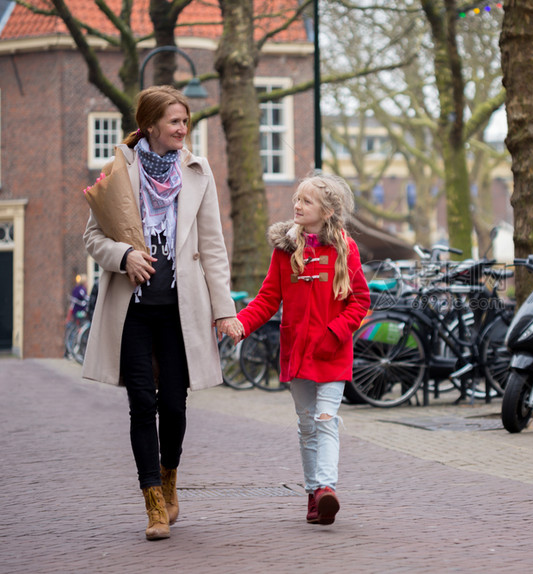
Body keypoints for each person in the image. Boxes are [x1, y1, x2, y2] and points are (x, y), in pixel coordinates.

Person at [82, 86, 243, 541]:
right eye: (174, 121)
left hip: (180, 309)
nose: (182, 129)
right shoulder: (119, 171)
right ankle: (153, 504)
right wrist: (123, 256)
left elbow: (212, 247)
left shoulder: (198, 171)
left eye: (185, 121)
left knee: (173, 404)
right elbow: (91, 238)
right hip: (131, 311)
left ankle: (169, 478)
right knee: (141, 404)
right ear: (150, 125)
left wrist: (224, 310)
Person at [236, 172, 370, 526]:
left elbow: (360, 301)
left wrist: (334, 333)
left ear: (327, 211)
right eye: (296, 198)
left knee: (326, 421)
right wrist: (240, 324)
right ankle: (313, 494)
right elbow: (267, 299)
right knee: (307, 425)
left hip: (333, 353)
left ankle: (326, 487)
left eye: (306, 201)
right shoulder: (285, 251)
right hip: (297, 352)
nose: (297, 204)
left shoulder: (345, 248)